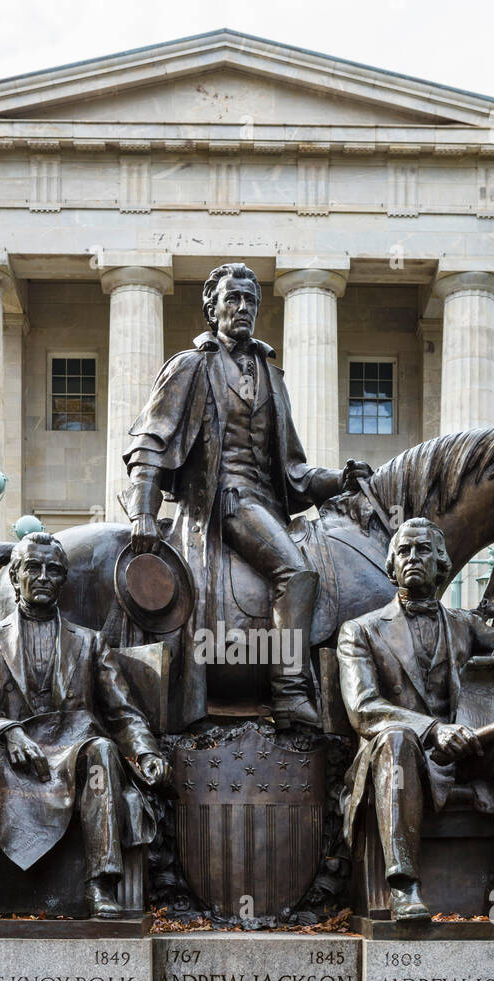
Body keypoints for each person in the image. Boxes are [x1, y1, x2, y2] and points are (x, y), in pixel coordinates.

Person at [124, 261, 370, 729]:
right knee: (296, 572)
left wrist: (340, 479)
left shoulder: (272, 377)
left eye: (250, 300)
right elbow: (150, 442)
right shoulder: (191, 366)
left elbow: (294, 471)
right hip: (222, 503)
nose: (242, 307)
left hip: (267, 505)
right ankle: (290, 691)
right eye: (232, 298)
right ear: (211, 308)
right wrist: (143, 513)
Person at [337, 517, 494, 921]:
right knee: (396, 738)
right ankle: (404, 886)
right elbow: (363, 707)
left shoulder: (463, 624)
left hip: (464, 754)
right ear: (392, 567)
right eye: (403, 551)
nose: (412, 557)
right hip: (403, 757)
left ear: (442, 564)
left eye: (423, 549)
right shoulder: (361, 631)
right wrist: (433, 730)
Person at [0, 531, 168, 920]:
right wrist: (9, 731)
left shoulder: (90, 643)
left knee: (102, 751)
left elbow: (122, 712)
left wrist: (146, 752)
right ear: (15, 577)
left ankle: (100, 886)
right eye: (33, 568)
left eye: (53, 570)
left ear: (63, 580)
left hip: (73, 753)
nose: (43, 577)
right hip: (9, 757)